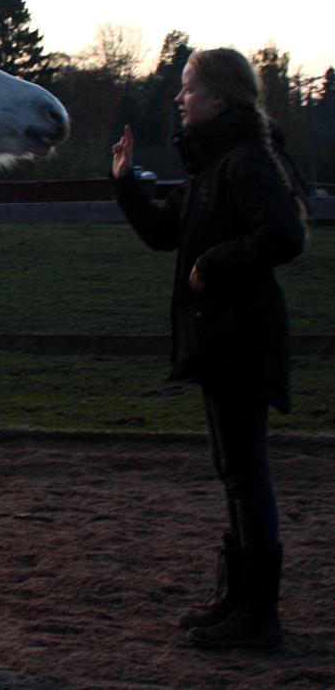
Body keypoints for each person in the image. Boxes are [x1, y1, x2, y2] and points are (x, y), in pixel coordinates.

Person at [110, 47, 308, 651]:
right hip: (219, 335)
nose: (179, 97)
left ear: (220, 97)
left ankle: (259, 616)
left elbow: (285, 235)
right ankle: (239, 603)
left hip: (241, 335)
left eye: (189, 88)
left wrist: (216, 263)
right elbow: (164, 234)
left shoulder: (246, 162)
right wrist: (124, 184)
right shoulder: (212, 167)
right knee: (234, 471)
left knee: (247, 474)